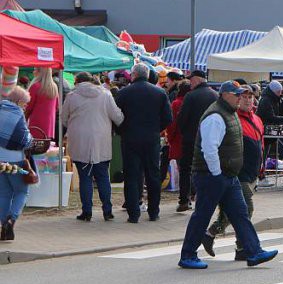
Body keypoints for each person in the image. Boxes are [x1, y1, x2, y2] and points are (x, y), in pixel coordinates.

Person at [178, 82, 278, 269]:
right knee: (202, 215)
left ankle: (253, 251)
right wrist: (216, 174)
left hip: (228, 175)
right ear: (225, 95)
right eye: (237, 94)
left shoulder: (228, 113)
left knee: (240, 214)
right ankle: (188, 254)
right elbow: (209, 149)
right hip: (212, 175)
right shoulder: (216, 116)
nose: (240, 97)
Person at [202, 84, 266, 260]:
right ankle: (242, 247)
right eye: (243, 97)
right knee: (245, 208)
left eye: (250, 97)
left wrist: (261, 169)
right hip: (237, 172)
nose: (247, 100)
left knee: (235, 210)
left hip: (251, 172)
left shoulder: (256, 119)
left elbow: (259, 145)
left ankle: (211, 233)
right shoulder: (232, 118)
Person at [62, 72, 125, 222]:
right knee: (103, 176)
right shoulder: (106, 94)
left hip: (79, 141)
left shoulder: (71, 96)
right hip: (101, 140)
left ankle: (86, 212)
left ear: (77, 82)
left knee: (85, 178)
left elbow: (63, 119)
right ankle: (107, 211)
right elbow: (117, 117)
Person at [115, 63, 172, 222]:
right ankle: (154, 212)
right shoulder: (160, 93)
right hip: (151, 139)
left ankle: (133, 214)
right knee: (153, 176)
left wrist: (122, 131)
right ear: (147, 75)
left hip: (130, 139)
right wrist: (156, 129)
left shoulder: (124, 93)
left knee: (132, 176)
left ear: (133, 75)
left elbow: (116, 116)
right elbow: (168, 118)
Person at [175, 70, 218, 212]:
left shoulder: (191, 96)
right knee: (207, 169)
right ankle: (205, 199)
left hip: (191, 139)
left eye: (191, 80)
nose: (190, 83)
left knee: (186, 169)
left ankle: (184, 200)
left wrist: (184, 132)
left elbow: (182, 119)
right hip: (211, 140)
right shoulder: (215, 95)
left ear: (198, 80)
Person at [0, 87, 36, 241]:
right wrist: (30, 139)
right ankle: (11, 220)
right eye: (25, 103)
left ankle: (3, 227)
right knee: (21, 192)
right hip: (16, 161)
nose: (26, 106)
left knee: (4, 193)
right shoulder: (17, 113)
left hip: (0, 161)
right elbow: (24, 140)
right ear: (19, 101)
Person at [25, 66, 59, 140]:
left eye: (35, 70)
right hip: (49, 126)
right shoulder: (54, 87)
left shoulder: (35, 86)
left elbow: (28, 107)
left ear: (40, 72)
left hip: (36, 125)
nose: (33, 72)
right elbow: (56, 107)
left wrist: (24, 120)